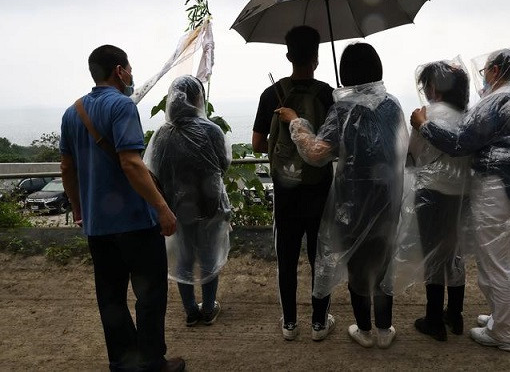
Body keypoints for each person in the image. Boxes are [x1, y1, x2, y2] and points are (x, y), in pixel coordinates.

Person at [411, 47, 510, 352]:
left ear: (495, 71)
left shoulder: (496, 100)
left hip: (501, 188)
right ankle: (507, 320)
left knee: (495, 262)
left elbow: (458, 144)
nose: (483, 78)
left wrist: (423, 125)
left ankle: (504, 333)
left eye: (485, 71)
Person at [59, 45, 185, 371]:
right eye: (129, 69)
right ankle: (153, 362)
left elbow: (66, 169)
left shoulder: (72, 113)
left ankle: (122, 363)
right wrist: (163, 209)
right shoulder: (122, 107)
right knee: (149, 295)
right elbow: (131, 163)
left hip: (98, 227)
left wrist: (77, 209)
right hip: (136, 224)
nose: (131, 75)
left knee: (111, 298)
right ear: (119, 71)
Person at [277, 42, 408, 349]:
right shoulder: (393, 105)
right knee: (383, 263)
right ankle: (385, 329)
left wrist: (296, 121)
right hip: (388, 199)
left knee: (358, 265)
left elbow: (315, 154)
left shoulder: (343, 109)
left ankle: (364, 331)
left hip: (353, 203)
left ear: (346, 73)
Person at [251, 25, 335, 341]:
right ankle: (318, 323)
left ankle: (289, 323)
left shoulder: (271, 95)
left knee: (287, 255)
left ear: (288, 56)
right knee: (320, 255)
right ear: (316, 57)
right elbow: (335, 142)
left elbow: (258, 144)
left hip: (286, 188)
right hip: (319, 188)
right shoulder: (328, 94)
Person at [386, 59, 471, 342]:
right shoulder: (466, 116)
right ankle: (454, 314)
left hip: (432, 193)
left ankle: (434, 318)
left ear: (433, 87)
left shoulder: (425, 116)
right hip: (462, 193)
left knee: (434, 254)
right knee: (454, 251)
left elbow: (410, 157)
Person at [144, 75, 232, 328]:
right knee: (208, 258)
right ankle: (208, 308)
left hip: (176, 209)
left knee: (182, 258)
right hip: (208, 205)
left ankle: (190, 311)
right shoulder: (212, 130)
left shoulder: (161, 134)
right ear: (198, 99)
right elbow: (222, 165)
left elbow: (154, 171)